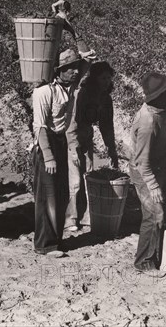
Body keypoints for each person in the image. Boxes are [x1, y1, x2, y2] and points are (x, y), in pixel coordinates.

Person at [31, 48, 94, 256]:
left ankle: (56, 240)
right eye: (70, 68)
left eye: (76, 67)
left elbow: (88, 60)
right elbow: (39, 127)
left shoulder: (69, 86)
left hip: (60, 142)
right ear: (58, 71)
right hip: (46, 144)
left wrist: (69, 27)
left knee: (60, 194)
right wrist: (48, 157)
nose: (75, 71)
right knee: (48, 196)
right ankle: (44, 244)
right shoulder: (44, 92)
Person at [129, 72, 166, 277]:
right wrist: (153, 186)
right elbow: (142, 162)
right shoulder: (147, 122)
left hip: (158, 163)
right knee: (154, 213)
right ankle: (144, 262)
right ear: (157, 96)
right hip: (143, 170)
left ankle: (164, 252)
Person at [65, 61, 119, 230]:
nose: (106, 82)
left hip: (86, 135)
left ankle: (86, 215)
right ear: (94, 78)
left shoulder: (105, 98)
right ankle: (70, 219)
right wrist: (73, 149)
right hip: (71, 136)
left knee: (88, 174)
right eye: (103, 78)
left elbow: (106, 126)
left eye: (109, 78)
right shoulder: (82, 94)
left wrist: (112, 149)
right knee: (74, 178)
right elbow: (71, 123)